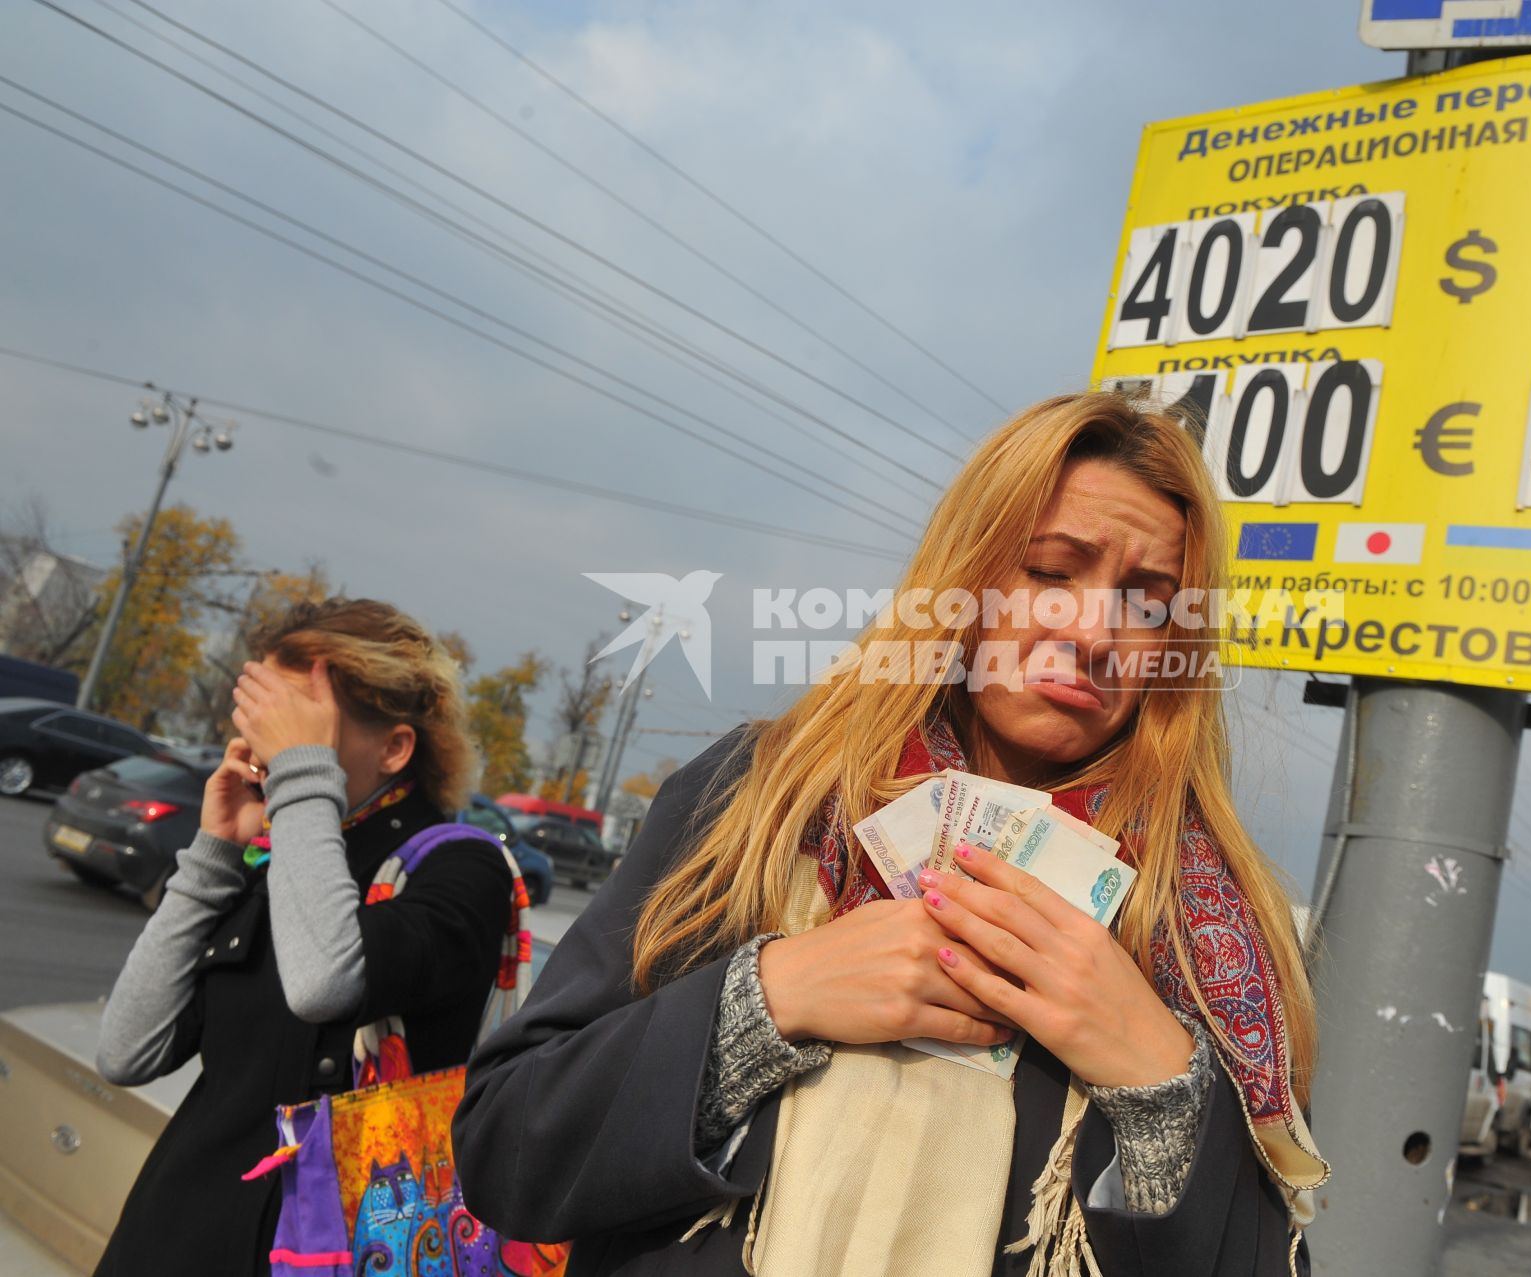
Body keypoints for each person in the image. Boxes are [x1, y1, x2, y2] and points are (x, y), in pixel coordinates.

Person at [453, 392, 1329, 1277]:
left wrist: (1161, 1088)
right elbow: (507, 1146)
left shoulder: (1209, 932)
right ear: (967, 578)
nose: (1094, 633)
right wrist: (766, 1001)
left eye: (1146, 601)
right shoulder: (763, 802)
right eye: (1052, 571)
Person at [94, 599, 514, 1276]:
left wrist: (302, 779)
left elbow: (325, 980)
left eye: (297, 722)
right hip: (168, 1239)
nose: (267, 741)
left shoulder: (459, 867)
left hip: (318, 1256)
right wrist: (213, 854)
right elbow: (126, 1049)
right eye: (263, 717)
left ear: (395, 747)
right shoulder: (274, 859)